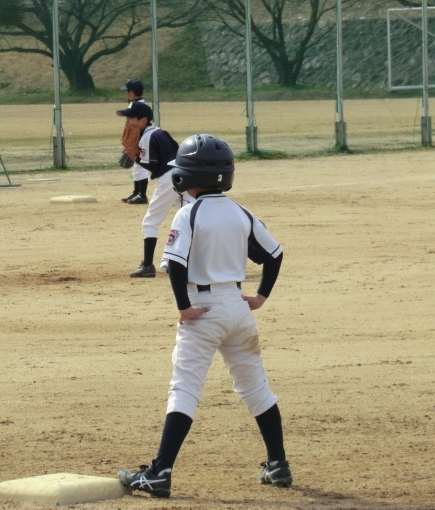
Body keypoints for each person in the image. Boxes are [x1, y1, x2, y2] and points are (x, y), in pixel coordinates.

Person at [117, 134, 291, 498]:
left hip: (203, 310)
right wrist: (260, 296)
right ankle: (278, 464)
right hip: (238, 309)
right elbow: (274, 255)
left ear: (187, 176)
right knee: (256, 387)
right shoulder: (240, 212)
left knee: (184, 388)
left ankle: (160, 472)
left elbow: (176, 265)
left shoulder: (189, 213)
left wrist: (184, 307)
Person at [115, 102, 193, 278]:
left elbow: (152, 165)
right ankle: (194, 261)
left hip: (168, 179)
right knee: (193, 219)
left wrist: (135, 157)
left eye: (131, 118)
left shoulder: (147, 137)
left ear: (143, 120)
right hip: (184, 175)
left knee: (150, 222)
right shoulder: (160, 132)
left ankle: (147, 265)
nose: (127, 122)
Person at [119, 79, 150, 204]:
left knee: (140, 166)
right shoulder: (138, 104)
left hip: (140, 138)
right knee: (136, 166)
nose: (126, 93)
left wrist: (131, 143)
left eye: (127, 91)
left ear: (131, 92)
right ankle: (136, 192)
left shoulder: (137, 106)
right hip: (139, 137)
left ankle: (142, 195)